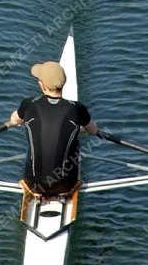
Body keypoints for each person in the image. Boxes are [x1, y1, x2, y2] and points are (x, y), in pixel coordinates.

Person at [7, 58, 98, 196]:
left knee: (36, 138)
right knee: (75, 140)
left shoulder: (28, 104)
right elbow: (94, 130)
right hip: (65, 185)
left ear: (42, 86)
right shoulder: (77, 108)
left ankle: (37, 180)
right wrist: (79, 128)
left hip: (34, 185)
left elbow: (14, 120)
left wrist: (18, 121)